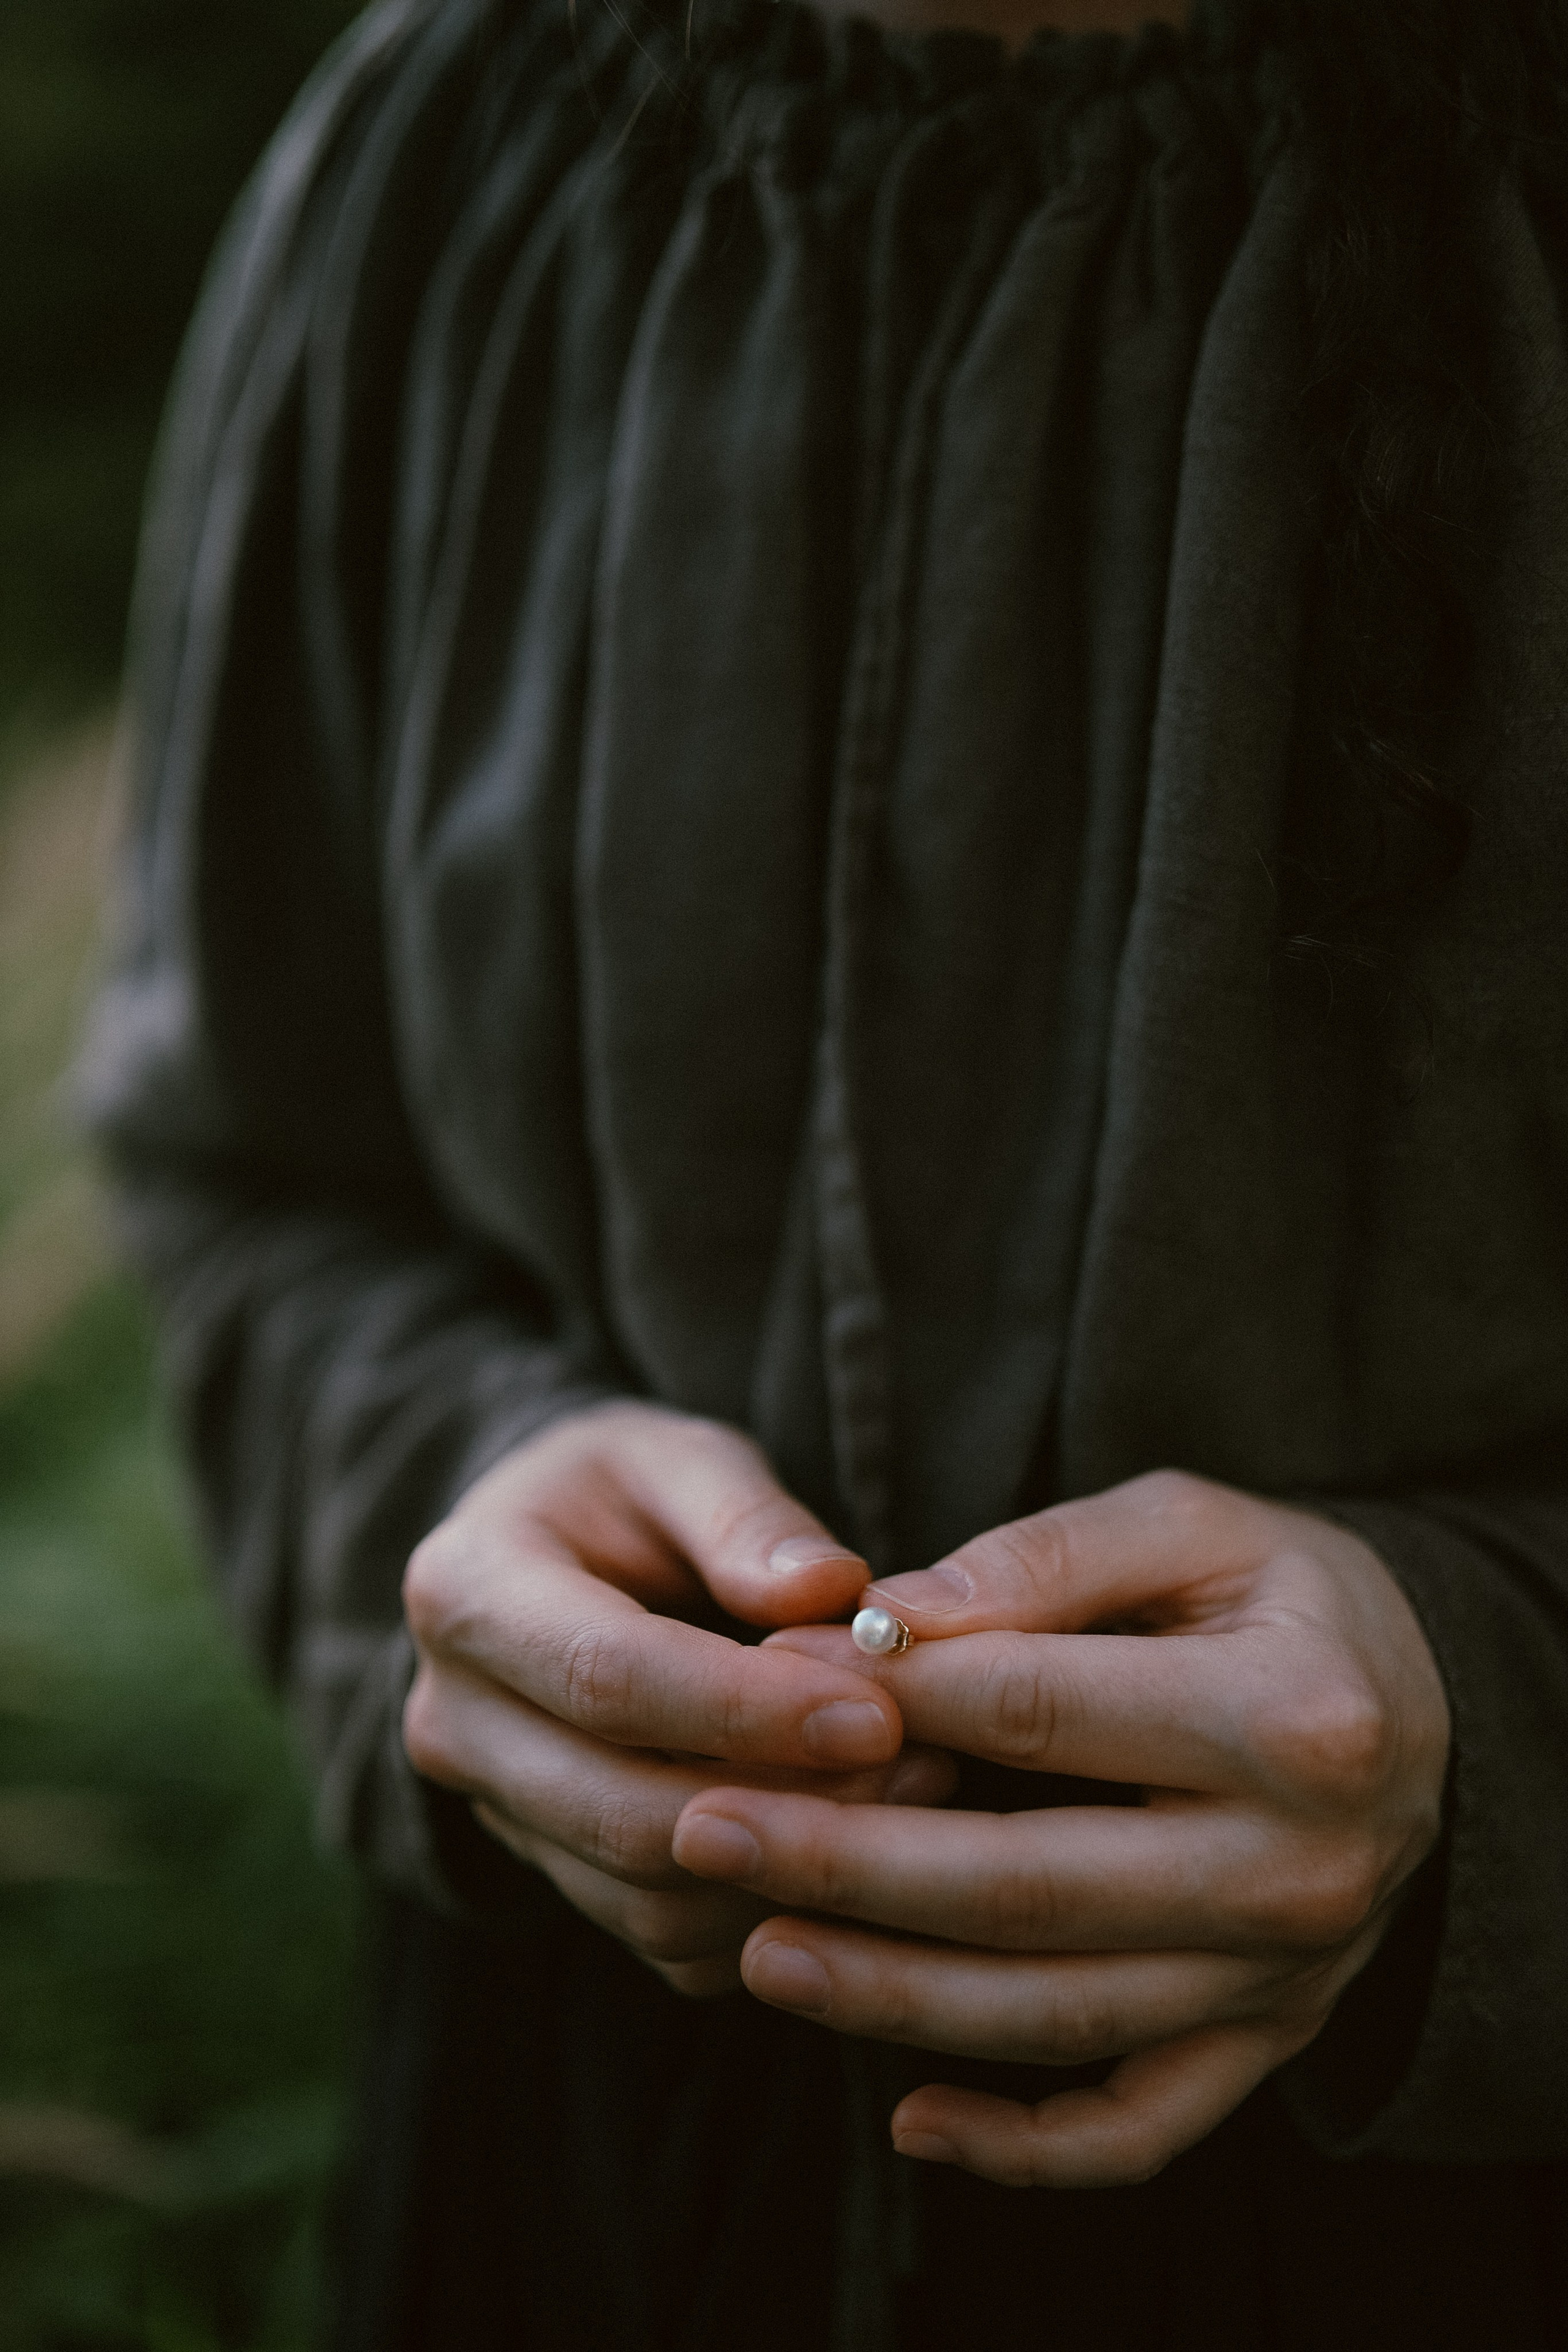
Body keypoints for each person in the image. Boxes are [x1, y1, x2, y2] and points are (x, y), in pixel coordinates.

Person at [85, 0, 1568, 2343]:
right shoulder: (451, 145)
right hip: (572, 2193)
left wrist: (1486, 1735)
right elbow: (249, 1168)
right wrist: (468, 1515)